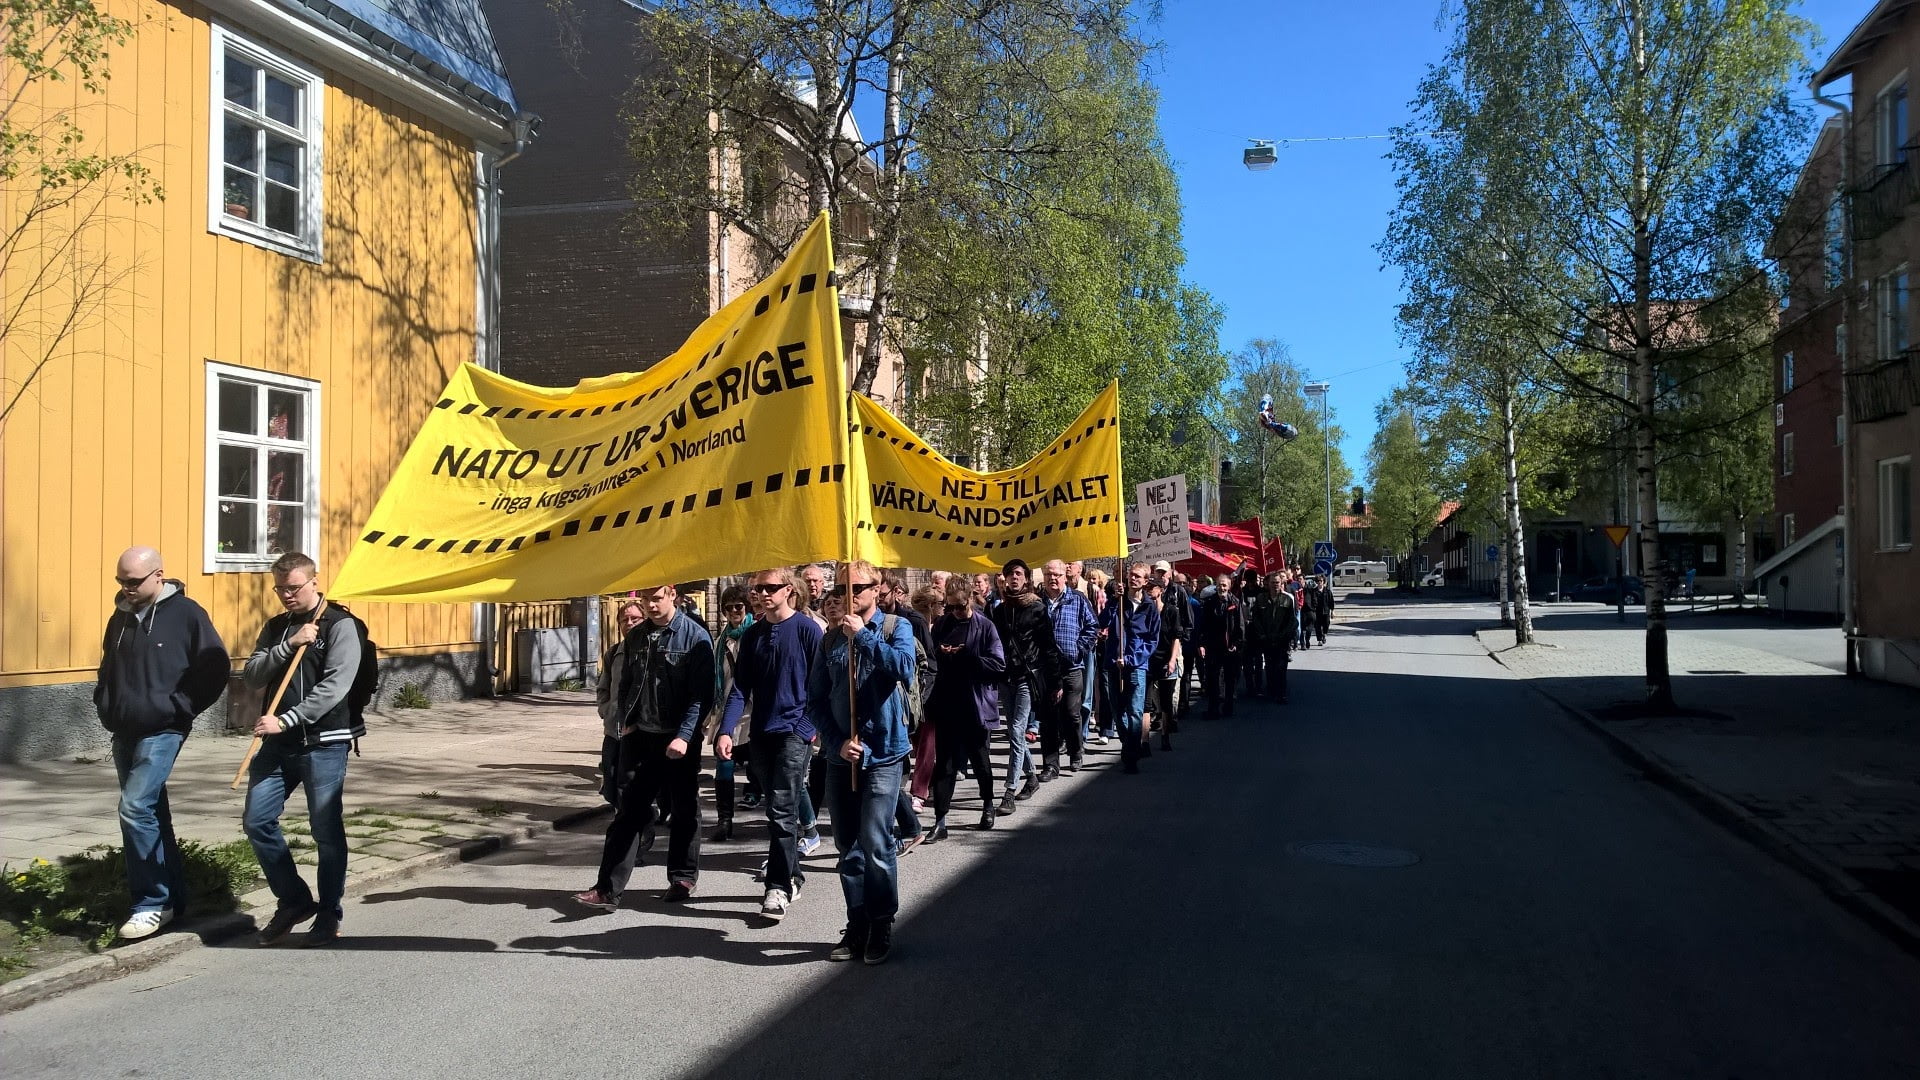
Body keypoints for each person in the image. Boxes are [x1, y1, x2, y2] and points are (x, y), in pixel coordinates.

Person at [94, 547, 228, 941]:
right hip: (124, 728)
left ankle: (150, 903)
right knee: (151, 813)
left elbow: (216, 664)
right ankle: (173, 900)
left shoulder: (187, 614)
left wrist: (181, 706)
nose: (126, 588)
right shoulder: (119, 617)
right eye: (120, 581)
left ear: (159, 575)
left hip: (163, 728)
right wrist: (105, 702)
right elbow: (108, 665)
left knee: (134, 808)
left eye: (133, 581)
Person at [241, 552, 362, 946]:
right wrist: (288, 645)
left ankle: (328, 915)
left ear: (314, 581)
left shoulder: (341, 625)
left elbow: (336, 687)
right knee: (257, 821)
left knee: (325, 832)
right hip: (277, 746)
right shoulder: (278, 627)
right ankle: (293, 901)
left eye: (293, 587)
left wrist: (287, 718)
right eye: (280, 588)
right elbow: (252, 675)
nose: (286, 595)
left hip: (324, 744)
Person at [573, 584, 715, 910]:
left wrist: (684, 735)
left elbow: (701, 695)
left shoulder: (694, 637)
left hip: (678, 737)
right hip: (641, 737)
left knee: (682, 808)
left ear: (672, 596)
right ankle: (607, 889)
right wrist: (627, 720)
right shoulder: (637, 637)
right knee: (629, 811)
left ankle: (682, 876)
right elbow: (626, 685)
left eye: (657, 598)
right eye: (646, 599)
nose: (651, 605)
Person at [810, 560, 918, 965]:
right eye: (842, 589)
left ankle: (881, 921)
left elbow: (904, 668)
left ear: (877, 589)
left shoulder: (896, 627)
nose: (849, 596)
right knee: (848, 847)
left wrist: (866, 637)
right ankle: (856, 923)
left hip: (885, 753)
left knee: (875, 842)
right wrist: (836, 743)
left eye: (858, 587)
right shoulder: (830, 640)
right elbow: (815, 701)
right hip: (843, 758)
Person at [718, 567, 825, 922]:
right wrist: (726, 730)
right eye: (757, 589)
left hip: (794, 733)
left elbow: (820, 687)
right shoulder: (753, 636)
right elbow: (739, 689)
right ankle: (793, 874)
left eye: (769, 588)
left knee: (782, 810)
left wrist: (807, 729)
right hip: (761, 733)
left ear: (788, 591)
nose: (761, 594)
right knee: (776, 810)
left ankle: (776, 887)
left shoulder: (808, 631)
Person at [925, 577, 1005, 839]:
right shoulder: (943, 625)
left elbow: (997, 664)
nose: (955, 612)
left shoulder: (984, 626)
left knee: (980, 759)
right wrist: (943, 653)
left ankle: (988, 804)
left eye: (959, 606)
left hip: (974, 703)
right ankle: (940, 819)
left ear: (969, 599)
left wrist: (967, 656)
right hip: (947, 701)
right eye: (950, 607)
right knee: (944, 764)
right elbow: (930, 657)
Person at [991, 559, 1062, 814]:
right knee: (1014, 732)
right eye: (1009, 574)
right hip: (1006, 678)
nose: (1013, 578)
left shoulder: (1036, 608)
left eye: (1018, 574)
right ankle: (1031, 776)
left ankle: (1009, 790)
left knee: (1019, 730)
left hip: (1026, 677)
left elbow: (1048, 646)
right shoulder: (998, 611)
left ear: (1027, 578)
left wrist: (1055, 682)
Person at [1038, 560, 1097, 781]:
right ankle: (1051, 765)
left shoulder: (1077, 599)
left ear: (1065, 576)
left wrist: (1079, 649)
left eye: (1057, 574)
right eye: (1048, 574)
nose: (1053, 578)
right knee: (1048, 718)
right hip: (1045, 669)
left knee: (1072, 714)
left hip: (1071, 666)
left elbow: (1092, 626)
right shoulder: (1038, 602)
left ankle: (1075, 751)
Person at [1097, 564, 1160, 773]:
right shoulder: (1119, 601)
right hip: (1114, 664)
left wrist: (1132, 659)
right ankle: (1128, 742)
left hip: (1136, 666)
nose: (1133, 579)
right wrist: (1114, 600)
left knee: (1135, 711)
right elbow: (1102, 622)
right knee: (1117, 710)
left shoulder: (1150, 607)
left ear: (1145, 581)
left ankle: (1131, 755)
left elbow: (1152, 640)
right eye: (1131, 575)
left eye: (1138, 577)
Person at [707, 586, 754, 840]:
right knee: (724, 766)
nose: (734, 612)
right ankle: (724, 820)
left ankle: (795, 823)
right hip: (727, 711)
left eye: (739, 606)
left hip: (754, 712)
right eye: (728, 608)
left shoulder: (755, 633)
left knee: (760, 767)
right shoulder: (721, 640)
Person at [595, 599, 647, 806]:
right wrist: (606, 710)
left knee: (634, 782)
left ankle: (640, 825)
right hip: (613, 728)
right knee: (610, 775)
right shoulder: (614, 653)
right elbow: (603, 687)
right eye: (625, 620)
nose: (630, 623)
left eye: (635, 618)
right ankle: (625, 817)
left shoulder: (650, 650)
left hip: (640, 730)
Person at [1197, 572, 1245, 718]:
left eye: (1224, 585)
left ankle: (1228, 707)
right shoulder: (1209, 603)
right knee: (1212, 679)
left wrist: (1237, 644)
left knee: (1229, 679)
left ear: (1229, 587)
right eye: (1219, 585)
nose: (1221, 588)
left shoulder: (1235, 602)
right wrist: (1202, 644)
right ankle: (1213, 709)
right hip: (1213, 647)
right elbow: (1203, 625)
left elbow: (1240, 625)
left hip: (1230, 648)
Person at [1251, 571, 1296, 703]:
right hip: (1266, 639)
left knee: (1281, 667)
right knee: (1270, 666)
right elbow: (1256, 618)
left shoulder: (1287, 599)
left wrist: (1284, 635)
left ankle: (1281, 694)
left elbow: (1291, 621)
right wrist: (1262, 634)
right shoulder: (1261, 598)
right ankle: (1271, 690)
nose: (1274, 585)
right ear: (1267, 584)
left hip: (1282, 640)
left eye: (1277, 582)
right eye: (1272, 582)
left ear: (1281, 583)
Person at [1312, 575, 1334, 645]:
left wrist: (1332, 611)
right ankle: (1319, 640)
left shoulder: (1327, 591)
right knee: (1317, 626)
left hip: (1326, 611)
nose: (1319, 582)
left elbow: (1331, 601)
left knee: (1326, 624)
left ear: (1323, 582)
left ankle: (1324, 634)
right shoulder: (1314, 591)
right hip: (1317, 612)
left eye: (1321, 581)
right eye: (1318, 581)